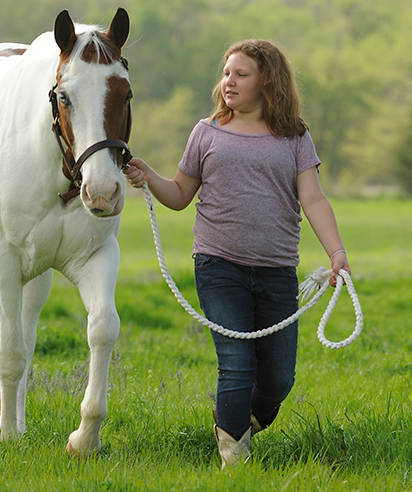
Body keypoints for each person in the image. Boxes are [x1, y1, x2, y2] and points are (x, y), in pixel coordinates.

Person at [123, 39, 351, 467]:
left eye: (240, 74)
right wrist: (148, 174)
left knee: (278, 379)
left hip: (277, 272)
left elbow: (314, 199)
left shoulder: (295, 136)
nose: (229, 81)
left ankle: (232, 419)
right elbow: (178, 196)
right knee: (236, 365)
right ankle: (234, 460)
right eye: (226, 73)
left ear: (267, 81)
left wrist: (336, 252)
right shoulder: (206, 132)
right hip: (218, 267)